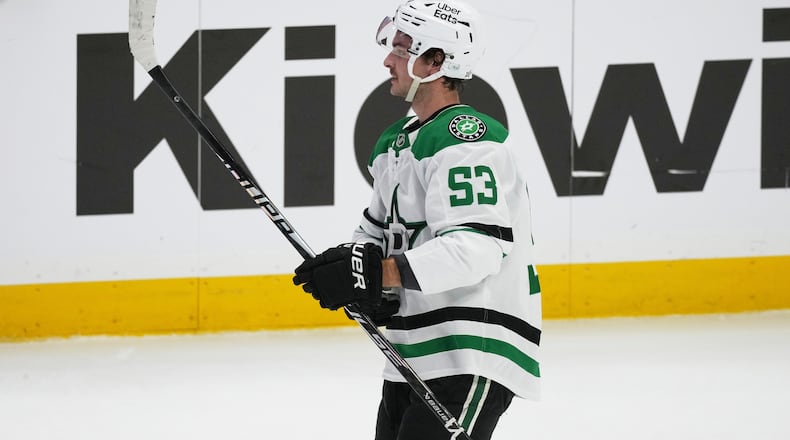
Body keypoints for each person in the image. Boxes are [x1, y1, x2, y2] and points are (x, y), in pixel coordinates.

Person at [292, 1, 542, 439]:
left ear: (437, 61)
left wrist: (379, 272)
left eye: (404, 49)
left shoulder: (467, 142)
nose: (388, 59)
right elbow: (374, 233)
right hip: (414, 351)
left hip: (470, 349)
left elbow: (476, 248)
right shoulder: (398, 143)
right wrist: (358, 272)